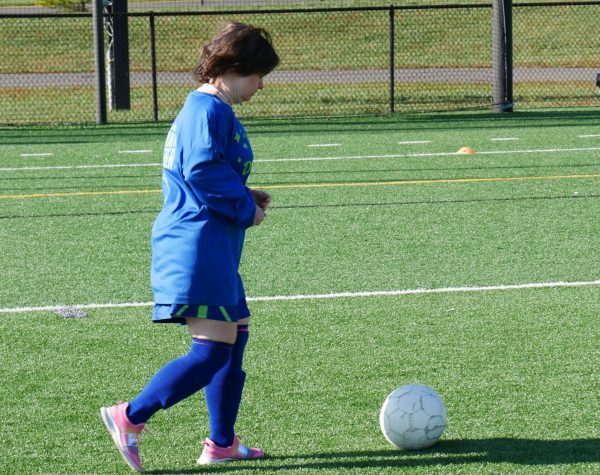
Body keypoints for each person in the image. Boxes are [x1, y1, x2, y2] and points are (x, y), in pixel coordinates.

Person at [100, 22, 280, 472]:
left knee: (233, 340)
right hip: (196, 245)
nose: (261, 85)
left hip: (212, 243)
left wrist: (245, 193)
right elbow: (200, 170)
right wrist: (245, 208)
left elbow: (205, 172)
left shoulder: (209, 109)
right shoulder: (208, 110)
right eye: (259, 75)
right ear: (235, 67)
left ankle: (221, 443)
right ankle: (130, 416)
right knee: (211, 351)